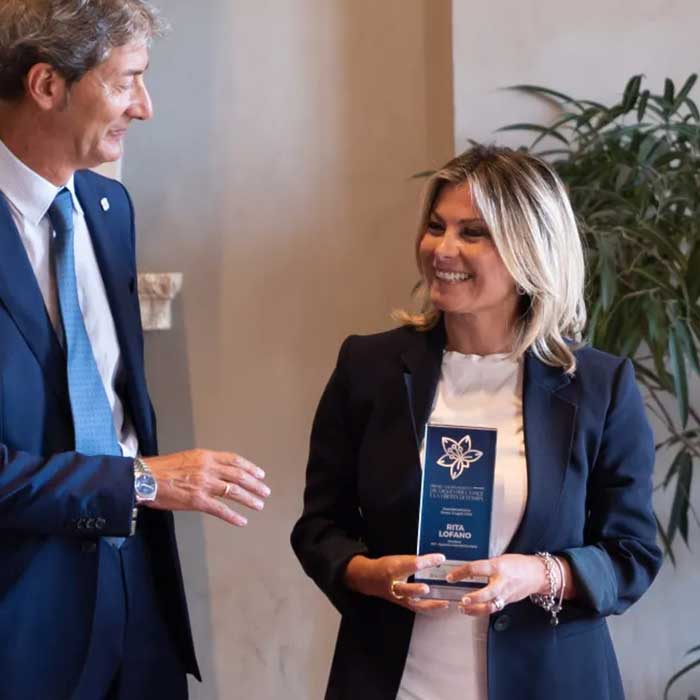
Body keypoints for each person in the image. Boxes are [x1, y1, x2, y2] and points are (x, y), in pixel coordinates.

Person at [291, 145, 662, 700]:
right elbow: (320, 527)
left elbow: (631, 554)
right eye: (435, 227)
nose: (442, 249)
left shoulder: (598, 386)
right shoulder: (368, 367)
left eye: (473, 233)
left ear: (529, 250)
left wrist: (537, 574)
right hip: (395, 680)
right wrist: (371, 575)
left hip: (551, 681)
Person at [0, 2, 270, 699]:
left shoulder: (108, 207)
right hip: (20, 616)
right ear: (47, 85)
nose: (144, 107)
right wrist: (142, 480)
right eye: (126, 82)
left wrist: (136, 492)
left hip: (137, 595)